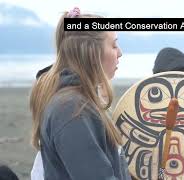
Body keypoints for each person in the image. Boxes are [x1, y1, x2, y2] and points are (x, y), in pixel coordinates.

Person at [29, 7, 131, 180]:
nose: (120, 53)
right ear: (92, 53)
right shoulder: (72, 110)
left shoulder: (80, 101)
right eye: (114, 45)